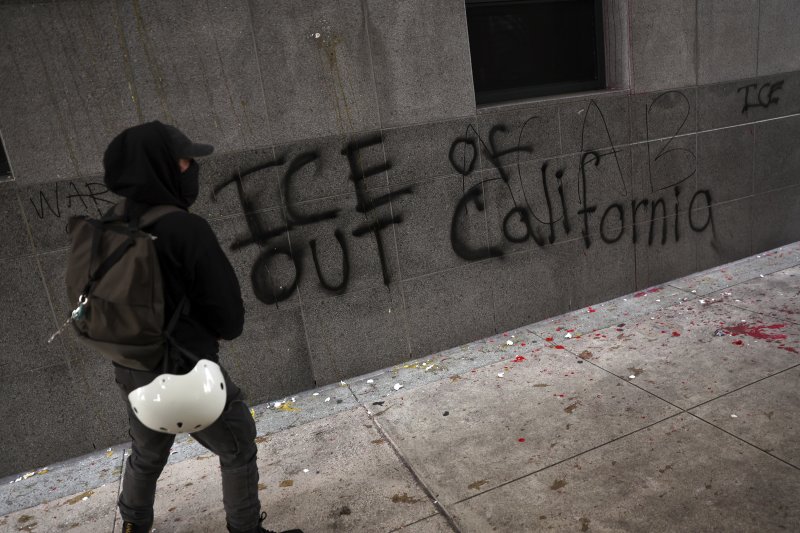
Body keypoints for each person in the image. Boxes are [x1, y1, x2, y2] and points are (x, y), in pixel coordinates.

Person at [102, 121, 302, 533]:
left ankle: (132, 527)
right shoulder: (184, 228)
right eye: (184, 160)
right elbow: (229, 316)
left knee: (146, 453)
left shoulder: (109, 225)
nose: (192, 167)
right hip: (188, 372)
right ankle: (246, 529)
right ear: (161, 165)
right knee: (237, 444)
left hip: (133, 370)